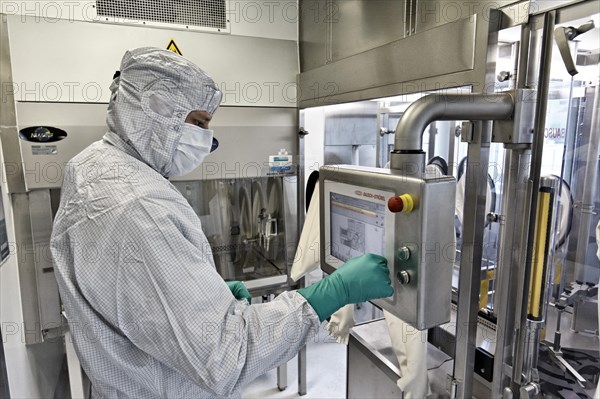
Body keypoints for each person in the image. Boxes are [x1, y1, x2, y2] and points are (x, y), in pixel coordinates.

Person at [50, 47, 393, 398]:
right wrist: (331, 293)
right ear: (156, 109)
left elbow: (134, 296)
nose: (205, 138)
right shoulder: (141, 208)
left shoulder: (92, 165)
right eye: (198, 123)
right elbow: (226, 357)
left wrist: (206, 298)